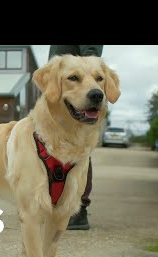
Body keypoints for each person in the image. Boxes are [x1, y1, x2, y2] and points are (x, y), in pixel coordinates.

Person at [49, 45, 104, 230]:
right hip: (58, 94)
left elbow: (91, 55)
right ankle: (55, 203)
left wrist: (89, 80)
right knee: (51, 148)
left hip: (79, 93)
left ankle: (78, 209)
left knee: (79, 150)